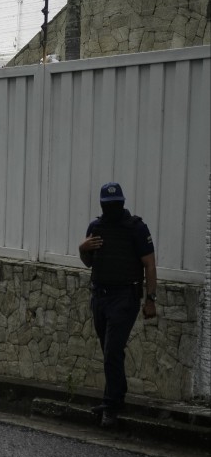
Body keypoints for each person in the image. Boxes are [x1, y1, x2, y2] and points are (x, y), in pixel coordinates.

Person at [78, 182, 157, 427]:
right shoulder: (96, 227)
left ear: (122, 203)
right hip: (100, 296)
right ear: (102, 205)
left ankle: (111, 405)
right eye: (108, 204)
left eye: (116, 204)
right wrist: (82, 248)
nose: (112, 208)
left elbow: (150, 265)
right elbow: (88, 263)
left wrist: (150, 300)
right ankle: (117, 395)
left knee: (112, 350)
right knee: (109, 350)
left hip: (125, 296)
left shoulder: (136, 228)